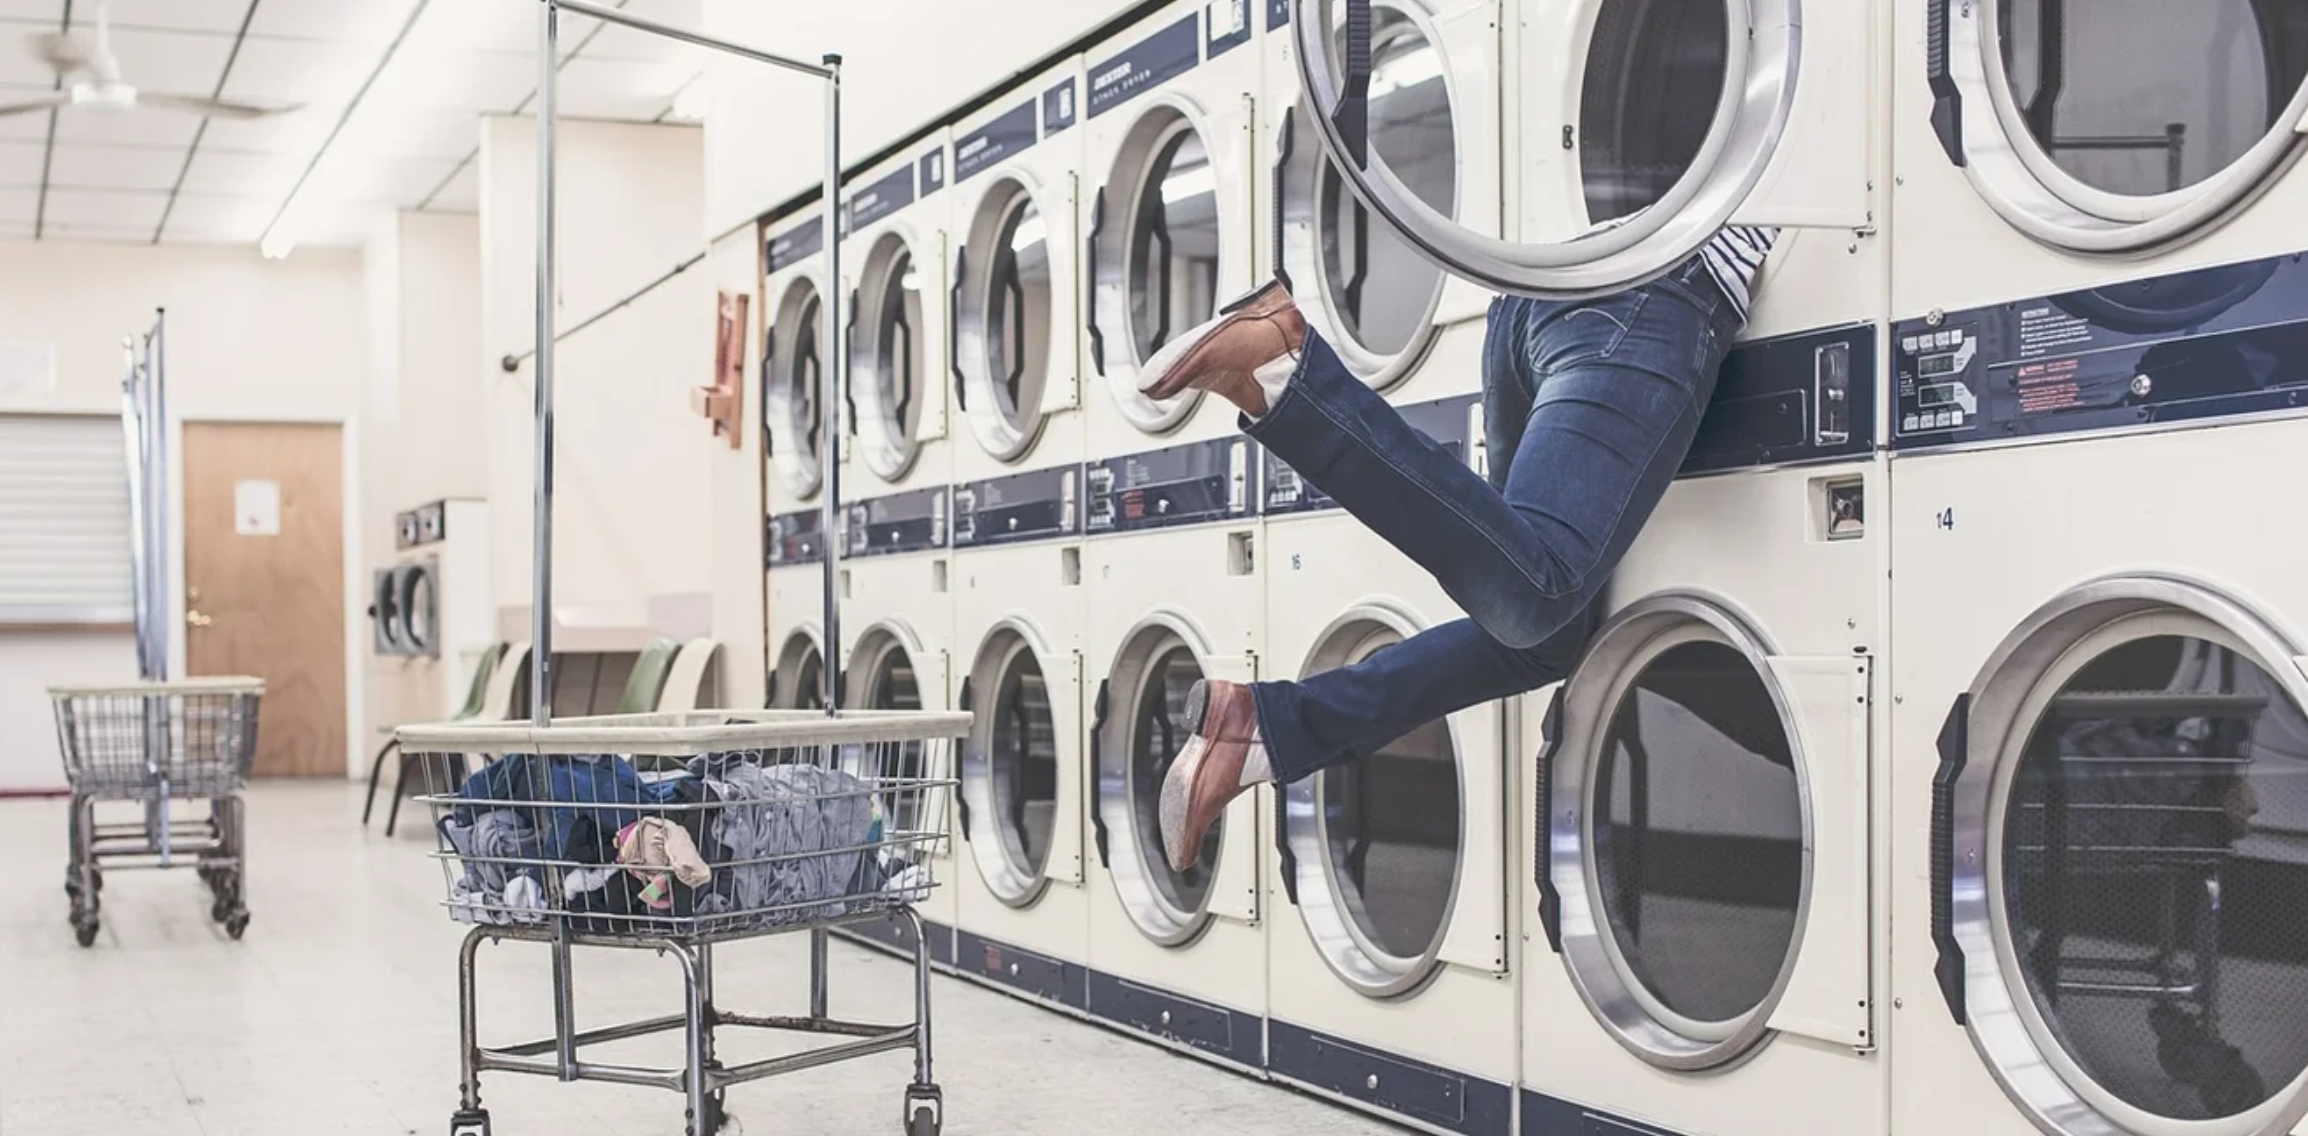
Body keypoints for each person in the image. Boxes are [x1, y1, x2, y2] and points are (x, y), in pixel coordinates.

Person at [1141, 226, 1778, 873]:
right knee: (1538, 594)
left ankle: (1263, 730)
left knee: (1538, 639)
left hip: (1538, 299)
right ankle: (1285, 373)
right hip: (1655, 294)